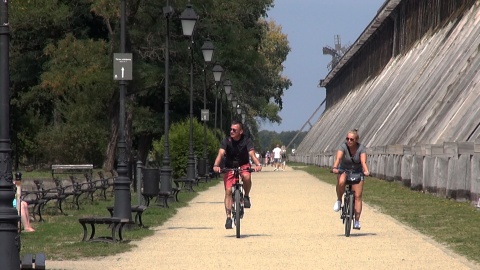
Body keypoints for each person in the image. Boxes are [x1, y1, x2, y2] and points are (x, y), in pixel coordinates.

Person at [213, 120, 262, 229]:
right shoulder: (226, 141)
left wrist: (258, 164)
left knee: (246, 176)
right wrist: (216, 165)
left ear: (241, 131)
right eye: (231, 129)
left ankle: (246, 196)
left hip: (243, 164)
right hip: (229, 166)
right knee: (228, 191)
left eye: (234, 130)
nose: (231, 131)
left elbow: (252, 154)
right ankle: (228, 217)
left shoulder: (246, 140)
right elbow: (221, 153)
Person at [331, 129, 370, 230]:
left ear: (356, 140)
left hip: (357, 171)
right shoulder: (343, 147)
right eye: (347, 139)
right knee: (341, 181)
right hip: (344, 170)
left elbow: (363, 162)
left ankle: (356, 221)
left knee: (358, 196)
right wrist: (335, 168)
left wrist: (366, 171)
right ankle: (339, 200)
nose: (349, 141)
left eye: (351, 139)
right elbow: (338, 159)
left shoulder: (361, 148)